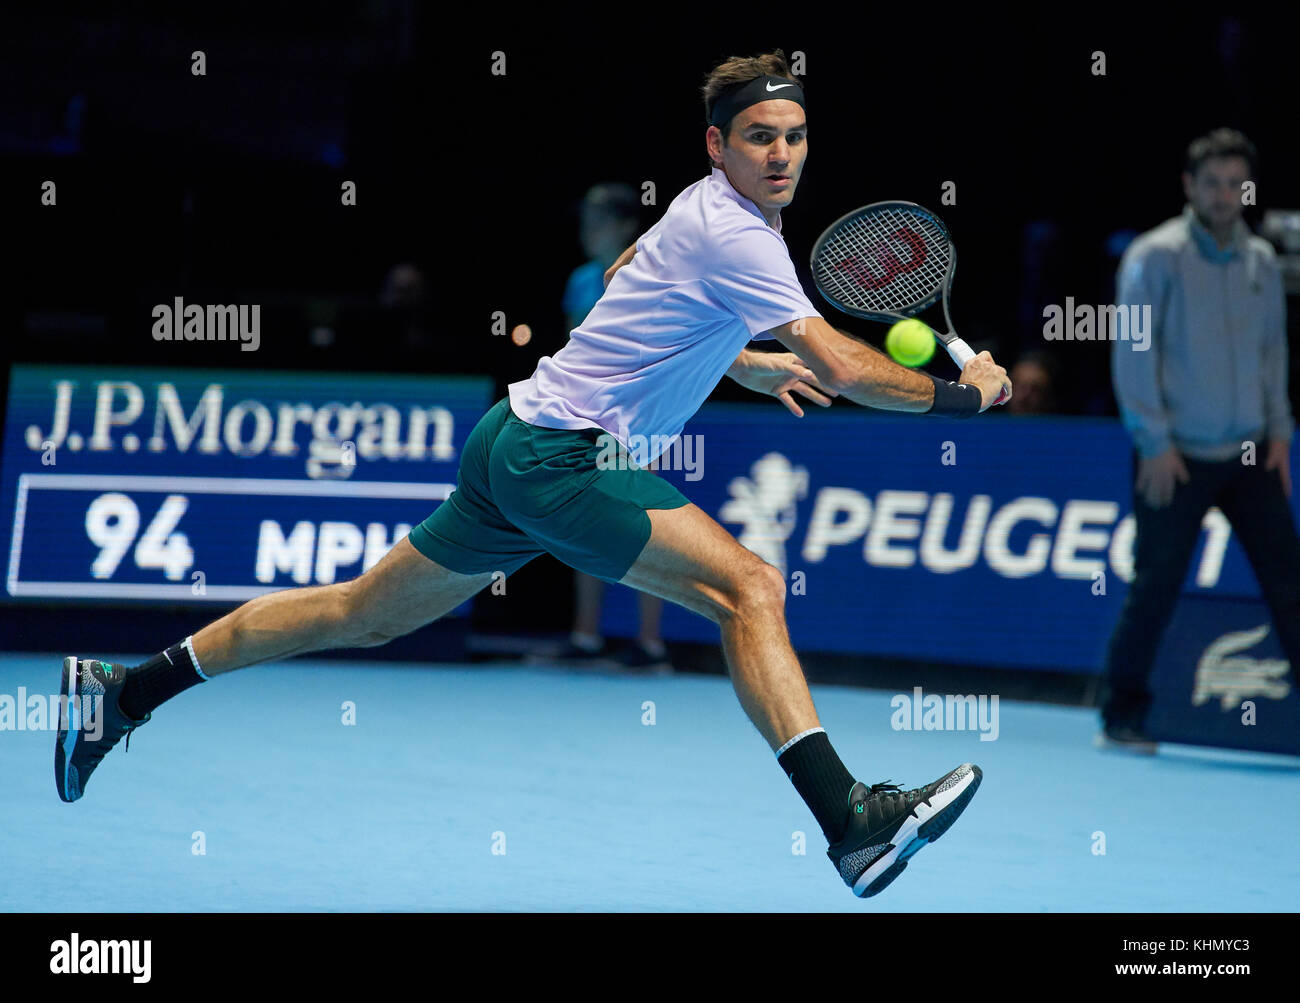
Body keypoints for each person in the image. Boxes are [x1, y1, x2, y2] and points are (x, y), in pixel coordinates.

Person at [55, 50, 1011, 899]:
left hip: (511, 437)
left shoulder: (698, 205)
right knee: (750, 587)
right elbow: (846, 368)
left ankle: (125, 691)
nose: (782, 155)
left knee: (363, 611)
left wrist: (738, 360)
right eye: (760, 137)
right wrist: (966, 392)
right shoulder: (743, 236)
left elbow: (629, 280)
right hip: (564, 457)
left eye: (796, 137)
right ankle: (850, 820)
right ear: (717, 143)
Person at [1098, 127, 1300, 753]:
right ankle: (1121, 716)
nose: (1223, 194)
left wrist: (1279, 432)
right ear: (1189, 186)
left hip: (1249, 456)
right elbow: (1133, 354)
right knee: (1155, 585)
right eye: (1210, 182)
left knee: (1290, 585)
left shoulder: (1263, 260)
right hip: (1174, 455)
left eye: (1233, 183)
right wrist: (1153, 441)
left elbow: (1272, 354)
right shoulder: (1152, 257)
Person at [556, 184, 672, 672]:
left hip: (643, 415)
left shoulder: (649, 277)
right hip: (586, 418)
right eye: (586, 218)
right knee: (584, 523)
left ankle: (650, 645)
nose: (589, 228)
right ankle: (585, 637)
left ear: (627, 226)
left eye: (600, 219)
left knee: (644, 524)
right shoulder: (581, 282)